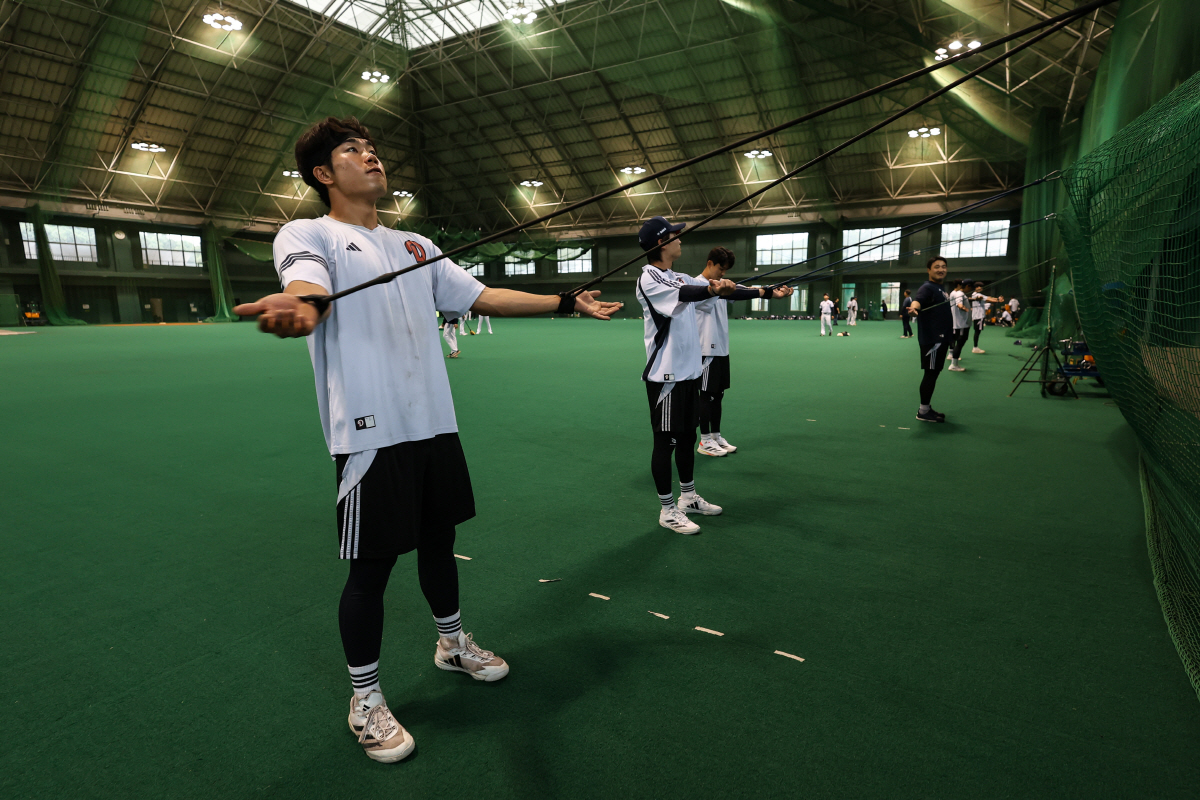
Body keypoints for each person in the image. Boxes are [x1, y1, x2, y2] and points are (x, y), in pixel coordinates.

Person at [232, 116, 622, 764]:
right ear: (324, 174)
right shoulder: (308, 233)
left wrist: (563, 302)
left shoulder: (416, 243)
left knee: (442, 542)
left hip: (433, 422)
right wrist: (301, 306)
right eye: (353, 151)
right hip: (369, 431)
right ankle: (365, 698)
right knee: (372, 568)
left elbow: (482, 297)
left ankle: (451, 644)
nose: (371, 156)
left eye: (372, 148)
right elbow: (309, 284)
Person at [635, 215, 731, 534]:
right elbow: (688, 295)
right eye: (674, 235)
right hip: (667, 379)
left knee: (688, 438)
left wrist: (720, 288)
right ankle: (667, 510)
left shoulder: (676, 276)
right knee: (666, 443)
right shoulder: (649, 278)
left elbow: (693, 291)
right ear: (661, 243)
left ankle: (688, 498)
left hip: (688, 376)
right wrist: (709, 289)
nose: (680, 239)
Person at [694, 246, 792, 457]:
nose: (723, 273)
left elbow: (742, 290)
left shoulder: (723, 285)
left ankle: (715, 436)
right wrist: (764, 292)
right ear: (710, 263)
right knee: (707, 395)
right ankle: (703, 441)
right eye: (721, 268)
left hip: (721, 348)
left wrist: (773, 293)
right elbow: (737, 292)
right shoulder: (697, 285)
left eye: (726, 270)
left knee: (718, 395)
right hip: (705, 349)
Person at [907, 256, 953, 422]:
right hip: (933, 340)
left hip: (941, 338)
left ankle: (926, 408)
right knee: (930, 374)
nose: (941, 269)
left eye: (943, 266)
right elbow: (918, 301)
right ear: (929, 270)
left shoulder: (941, 288)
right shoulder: (927, 287)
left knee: (934, 373)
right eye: (937, 267)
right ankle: (923, 411)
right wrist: (913, 309)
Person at [968, 281, 1005, 353]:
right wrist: (997, 300)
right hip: (978, 316)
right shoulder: (976, 295)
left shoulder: (978, 294)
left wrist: (997, 299)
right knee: (977, 332)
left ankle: (975, 347)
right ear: (976, 288)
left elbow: (988, 297)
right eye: (980, 286)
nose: (981, 288)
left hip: (978, 316)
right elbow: (988, 299)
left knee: (977, 331)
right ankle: (975, 348)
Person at [947, 279, 970, 372]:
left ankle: (951, 356)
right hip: (959, 322)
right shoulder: (956, 294)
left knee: (956, 339)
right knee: (959, 341)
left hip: (957, 321)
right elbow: (959, 304)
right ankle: (953, 363)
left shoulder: (957, 294)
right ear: (959, 285)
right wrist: (963, 307)